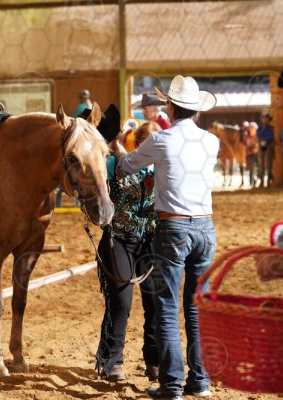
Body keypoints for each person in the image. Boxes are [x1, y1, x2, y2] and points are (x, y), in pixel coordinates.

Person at [115, 75, 219, 400]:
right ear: (196, 110)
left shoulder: (161, 140)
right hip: (206, 227)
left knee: (167, 306)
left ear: (170, 107)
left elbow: (126, 167)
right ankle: (200, 381)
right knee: (196, 308)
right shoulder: (211, 141)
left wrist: (118, 146)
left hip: (173, 227)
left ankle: (172, 385)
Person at [96, 121, 161, 383]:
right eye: (145, 146)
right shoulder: (115, 164)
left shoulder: (164, 166)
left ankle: (154, 361)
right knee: (120, 302)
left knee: (155, 302)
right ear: (137, 144)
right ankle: (112, 362)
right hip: (119, 239)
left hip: (151, 239)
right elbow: (93, 186)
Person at [257, 112, 274, 187]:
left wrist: (264, 136)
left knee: (269, 164)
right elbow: (259, 135)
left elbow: (270, 136)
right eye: (263, 119)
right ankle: (261, 181)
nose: (264, 121)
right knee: (261, 163)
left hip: (268, 145)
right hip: (261, 145)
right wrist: (263, 132)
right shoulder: (260, 128)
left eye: (266, 119)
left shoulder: (271, 128)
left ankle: (269, 180)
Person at [244, 122, 259, 187]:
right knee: (251, 169)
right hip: (250, 154)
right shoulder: (246, 136)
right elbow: (246, 144)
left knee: (259, 168)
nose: (251, 129)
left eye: (252, 128)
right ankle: (251, 182)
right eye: (250, 128)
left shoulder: (258, 135)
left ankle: (258, 180)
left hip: (258, 154)